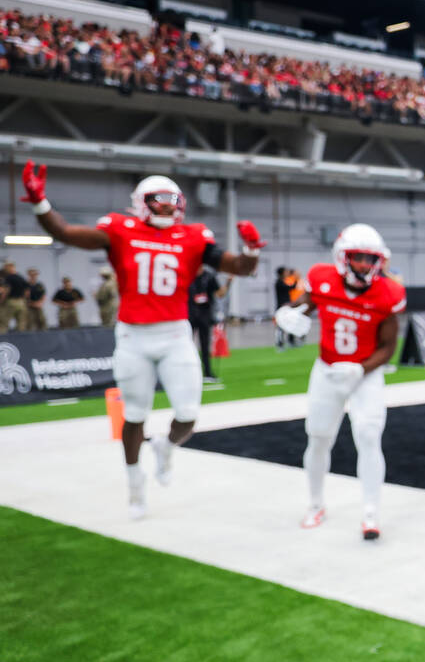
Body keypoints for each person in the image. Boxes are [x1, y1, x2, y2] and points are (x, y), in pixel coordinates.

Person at [22, 160, 264, 519]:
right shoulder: (121, 229)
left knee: (188, 413)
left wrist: (252, 250)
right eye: (159, 198)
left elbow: (238, 268)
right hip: (133, 336)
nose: (168, 205)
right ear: (140, 202)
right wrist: (41, 203)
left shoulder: (193, 236)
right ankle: (136, 486)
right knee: (134, 415)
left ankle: (165, 447)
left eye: (173, 199)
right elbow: (69, 233)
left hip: (174, 334)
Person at [274, 223, 406, 540]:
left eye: (370, 259)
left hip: (366, 374)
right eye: (358, 257)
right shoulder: (322, 278)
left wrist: (361, 369)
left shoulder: (388, 293)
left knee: (369, 435)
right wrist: (285, 313)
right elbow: (304, 304)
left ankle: (371, 513)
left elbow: (388, 347)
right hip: (328, 369)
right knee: (318, 437)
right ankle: (316, 504)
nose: (364, 265)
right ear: (342, 257)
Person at [188, 264, 228, 382]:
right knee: (187, 345)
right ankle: (188, 372)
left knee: (205, 345)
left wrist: (228, 283)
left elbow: (219, 294)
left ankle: (208, 372)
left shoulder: (209, 277)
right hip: (189, 315)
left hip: (204, 315)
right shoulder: (187, 275)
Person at [0, 260, 29, 332]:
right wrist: (24, 301)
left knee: (3, 322)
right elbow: (27, 292)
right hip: (21, 302)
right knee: (21, 324)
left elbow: (6, 290)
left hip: (11, 302)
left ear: (10, 267)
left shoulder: (8, 278)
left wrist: (1, 301)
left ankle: (2, 340)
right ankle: (20, 341)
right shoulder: (21, 277)